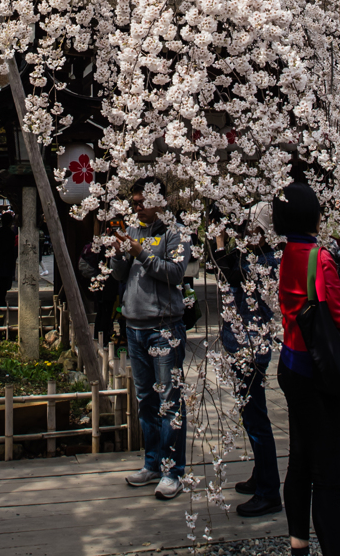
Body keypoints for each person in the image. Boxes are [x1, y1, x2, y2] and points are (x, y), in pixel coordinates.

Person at [274, 182, 340, 556]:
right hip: (318, 370)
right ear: (314, 215)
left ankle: (299, 544)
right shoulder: (320, 256)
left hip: (291, 362)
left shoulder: (288, 253)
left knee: (299, 459)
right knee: (328, 470)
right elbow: (339, 314)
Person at [110, 177, 190, 501]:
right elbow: (118, 275)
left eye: (143, 201)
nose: (138, 207)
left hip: (164, 326)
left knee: (169, 399)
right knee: (146, 400)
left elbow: (175, 273)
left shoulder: (174, 231)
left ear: (160, 200)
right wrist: (119, 254)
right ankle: (152, 463)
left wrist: (141, 253)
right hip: (135, 325)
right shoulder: (132, 229)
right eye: (135, 202)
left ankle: (173, 471)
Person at [213, 202, 282, 518]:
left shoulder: (267, 261)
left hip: (252, 348)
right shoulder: (253, 257)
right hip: (241, 343)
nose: (248, 234)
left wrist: (219, 243)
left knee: (256, 420)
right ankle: (261, 475)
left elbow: (230, 273)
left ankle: (269, 491)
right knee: (252, 415)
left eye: (255, 229)